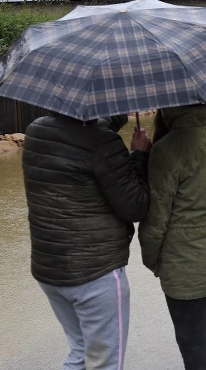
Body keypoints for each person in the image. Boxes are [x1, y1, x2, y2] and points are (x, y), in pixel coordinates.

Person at [22, 113, 151, 370]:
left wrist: (118, 117)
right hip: (95, 273)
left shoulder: (35, 131)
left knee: (80, 352)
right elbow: (135, 207)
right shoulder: (103, 144)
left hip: (49, 268)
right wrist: (139, 154)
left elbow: (82, 135)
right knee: (106, 364)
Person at [139, 91, 206, 370]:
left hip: (185, 263)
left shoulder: (167, 149)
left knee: (193, 344)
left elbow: (156, 219)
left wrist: (153, 260)